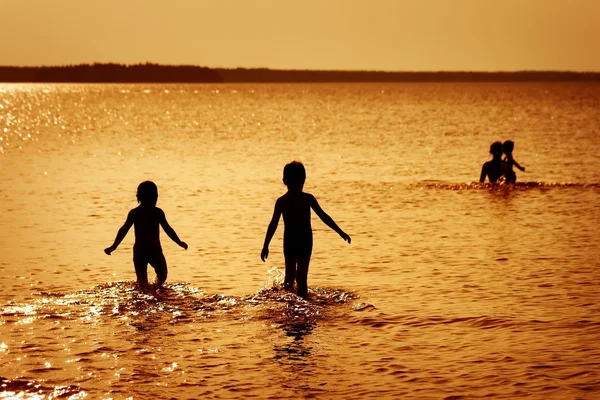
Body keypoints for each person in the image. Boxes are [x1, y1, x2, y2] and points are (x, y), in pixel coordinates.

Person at [260, 161, 351, 299]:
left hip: (296, 242)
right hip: (302, 241)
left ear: (284, 181)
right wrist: (265, 245)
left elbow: (323, 216)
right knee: (299, 277)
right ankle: (301, 302)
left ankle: (290, 303)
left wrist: (340, 231)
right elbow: (273, 224)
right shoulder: (301, 199)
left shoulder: (285, 201)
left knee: (292, 277)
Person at [104, 181, 188, 292]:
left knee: (142, 281)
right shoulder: (157, 212)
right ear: (156, 197)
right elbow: (168, 229)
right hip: (154, 250)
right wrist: (179, 242)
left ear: (138, 197)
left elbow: (123, 230)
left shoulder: (135, 213)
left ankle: (147, 290)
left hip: (139, 251)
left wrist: (113, 246)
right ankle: (155, 288)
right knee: (162, 274)